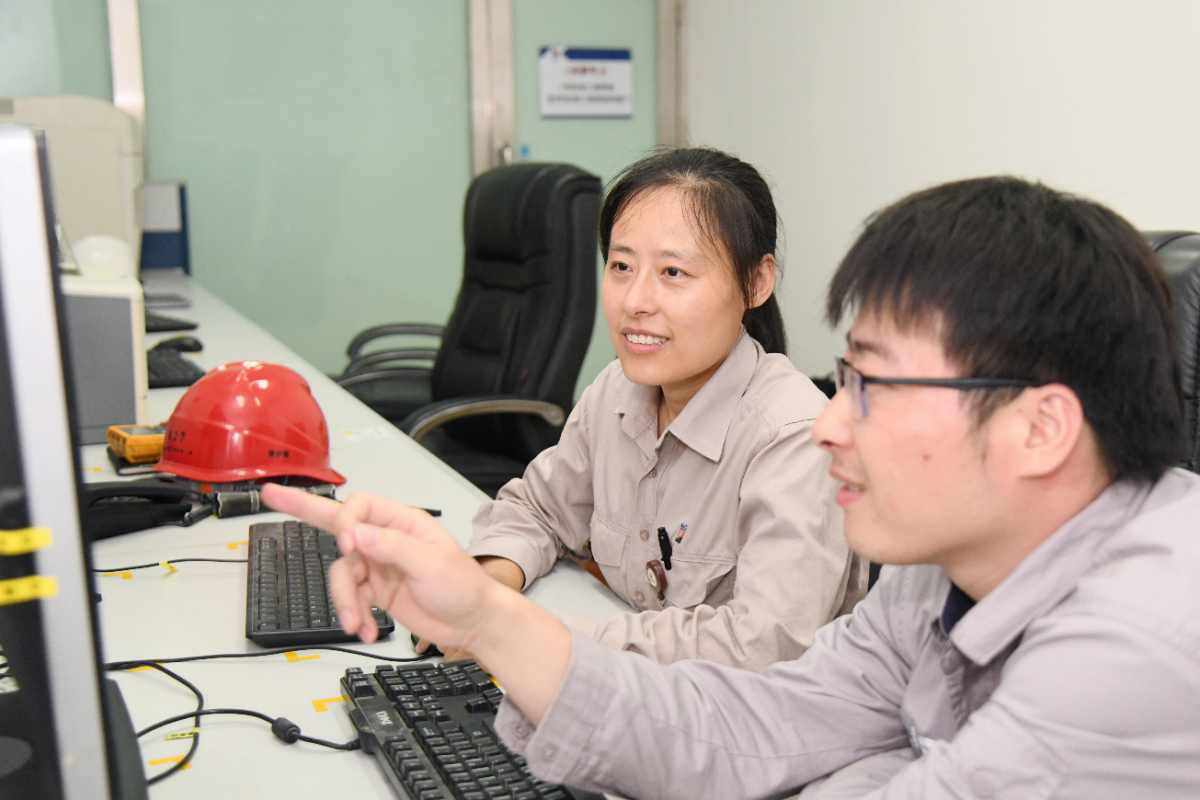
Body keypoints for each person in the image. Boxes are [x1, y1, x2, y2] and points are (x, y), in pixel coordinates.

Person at [262, 175, 1200, 799]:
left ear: (1042, 428)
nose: (830, 422)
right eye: (844, 378)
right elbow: (768, 720)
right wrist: (483, 617)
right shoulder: (942, 569)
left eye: (874, 386)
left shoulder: (1136, 644)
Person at [424, 147, 864, 671]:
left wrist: (542, 636)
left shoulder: (793, 436)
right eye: (621, 266)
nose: (635, 301)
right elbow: (539, 508)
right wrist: (487, 591)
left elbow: (763, 643)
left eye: (673, 272)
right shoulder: (618, 390)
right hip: (631, 690)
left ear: (756, 282)